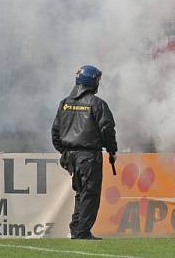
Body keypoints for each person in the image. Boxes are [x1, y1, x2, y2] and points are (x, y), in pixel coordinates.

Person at [51, 65, 117, 240]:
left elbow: (55, 134)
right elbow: (107, 128)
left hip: (70, 157)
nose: (98, 84)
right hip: (88, 156)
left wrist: (65, 153)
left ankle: (76, 229)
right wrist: (112, 149)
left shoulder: (64, 103)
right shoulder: (97, 104)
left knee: (81, 193)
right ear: (91, 81)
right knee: (89, 194)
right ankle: (81, 232)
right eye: (97, 80)